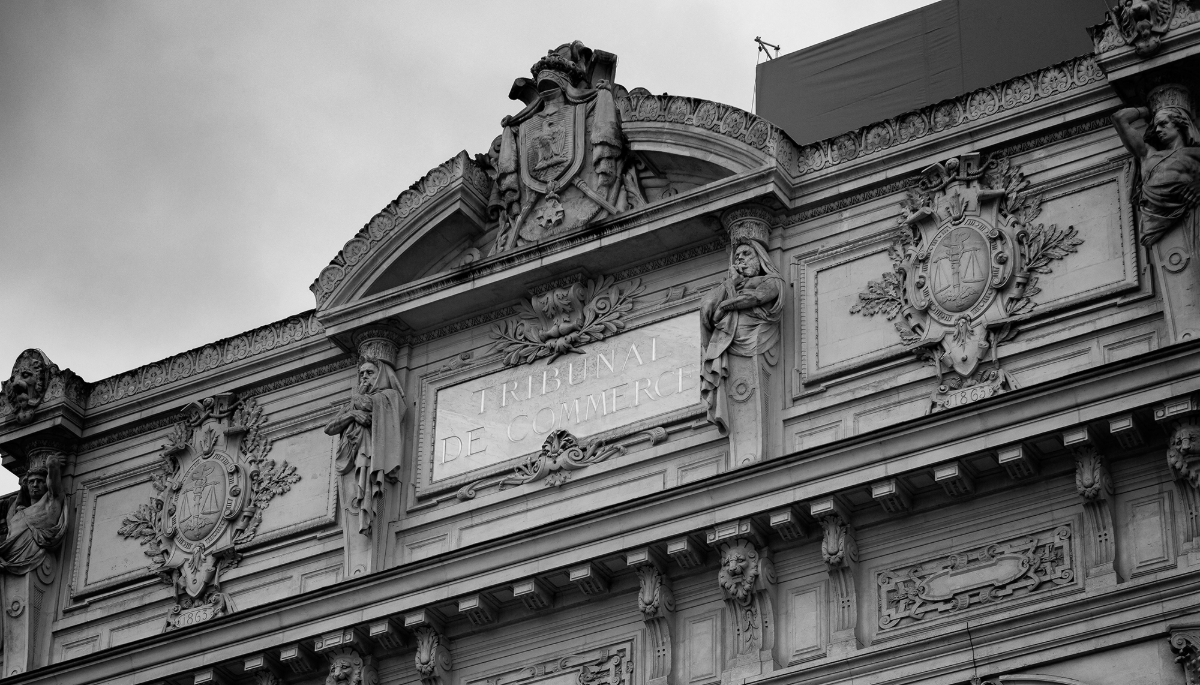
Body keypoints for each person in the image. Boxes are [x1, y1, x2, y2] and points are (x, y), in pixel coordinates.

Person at [699, 238, 785, 434]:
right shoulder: (731, 287)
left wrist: (725, 305)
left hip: (754, 340)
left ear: (761, 259)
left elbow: (755, 297)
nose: (741, 260)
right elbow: (707, 307)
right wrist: (731, 284)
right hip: (730, 338)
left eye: (747, 254)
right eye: (737, 257)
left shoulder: (771, 280)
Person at [324, 359, 405, 537]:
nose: (364, 377)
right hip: (358, 451)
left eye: (369, 373)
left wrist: (357, 400)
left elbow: (368, 405)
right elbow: (329, 428)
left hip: (373, 453)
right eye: (361, 374)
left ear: (380, 376)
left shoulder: (388, 396)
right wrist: (352, 414)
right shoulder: (354, 403)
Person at [1112, 104, 1200, 247]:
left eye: (1163, 124)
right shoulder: (1148, 155)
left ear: (1179, 124)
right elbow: (1119, 118)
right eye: (1155, 126)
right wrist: (1147, 111)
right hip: (1157, 228)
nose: (1158, 130)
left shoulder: (1196, 154)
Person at [0, 452, 67, 575]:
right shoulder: (16, 514)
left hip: (31, 558)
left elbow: (54, 482)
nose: (35, 485)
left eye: (40, 481)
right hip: (11, 559)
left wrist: (52, 464)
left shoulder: (51, 501)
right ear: (26, 485)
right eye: (31, 482)